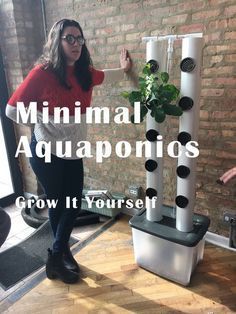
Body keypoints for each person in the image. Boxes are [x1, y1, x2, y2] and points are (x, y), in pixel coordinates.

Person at [5, 18, 132, 284]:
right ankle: (59, 256)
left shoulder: (85, 72)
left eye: (79, 39)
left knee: (69, 204)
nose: (76, 44)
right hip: (45, 152)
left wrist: (125, 69)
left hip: (73, 152)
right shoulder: (43, 72)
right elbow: (11, 109)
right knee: (62, 202)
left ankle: (58, 255)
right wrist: (39, 120)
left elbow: (107, 76)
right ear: (57, 41)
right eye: (69, 38)